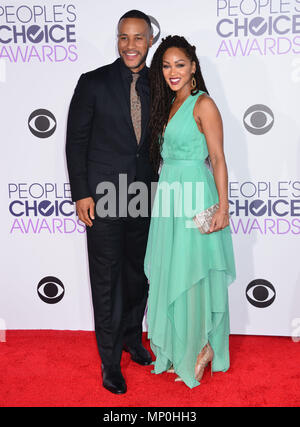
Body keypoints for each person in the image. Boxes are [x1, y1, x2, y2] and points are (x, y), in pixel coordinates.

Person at [66, 10, 157, 394]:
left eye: (138, 38)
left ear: (150, 41)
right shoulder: (93, 82)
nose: (130, 45)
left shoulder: (162, 83)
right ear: (117, 40)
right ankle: (109, 362)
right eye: (124, 37)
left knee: (138, 274)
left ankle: (132, 339)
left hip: (144, 194)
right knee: (106, 279)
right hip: (103, 196)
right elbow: (75, 142)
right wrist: (81, 193)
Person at [144, 35, 236, 388]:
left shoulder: (203, 104)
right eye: (166, 65)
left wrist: (223, 206)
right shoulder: (168, 104)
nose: (173, 72)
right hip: (169, 198)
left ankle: (200, 348)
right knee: (173, 271)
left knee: (193, 273)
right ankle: (181, 347)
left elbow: (217, 158)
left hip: (197, 195)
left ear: (193, 66)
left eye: (180, 64)